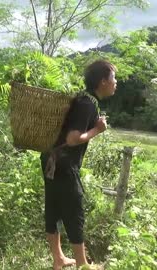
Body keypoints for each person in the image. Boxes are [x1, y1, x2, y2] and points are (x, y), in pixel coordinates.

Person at [41, 60, 117, 270]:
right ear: (103, 82)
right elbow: (74, 138)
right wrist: (97, 130)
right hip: (64, 163)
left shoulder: (81, 98)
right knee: (75, 212)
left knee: (54, 209)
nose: (116, 83)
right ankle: (82, 265)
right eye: (113, 78)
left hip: (50, 159)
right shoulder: (87, 104)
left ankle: (59, 259)